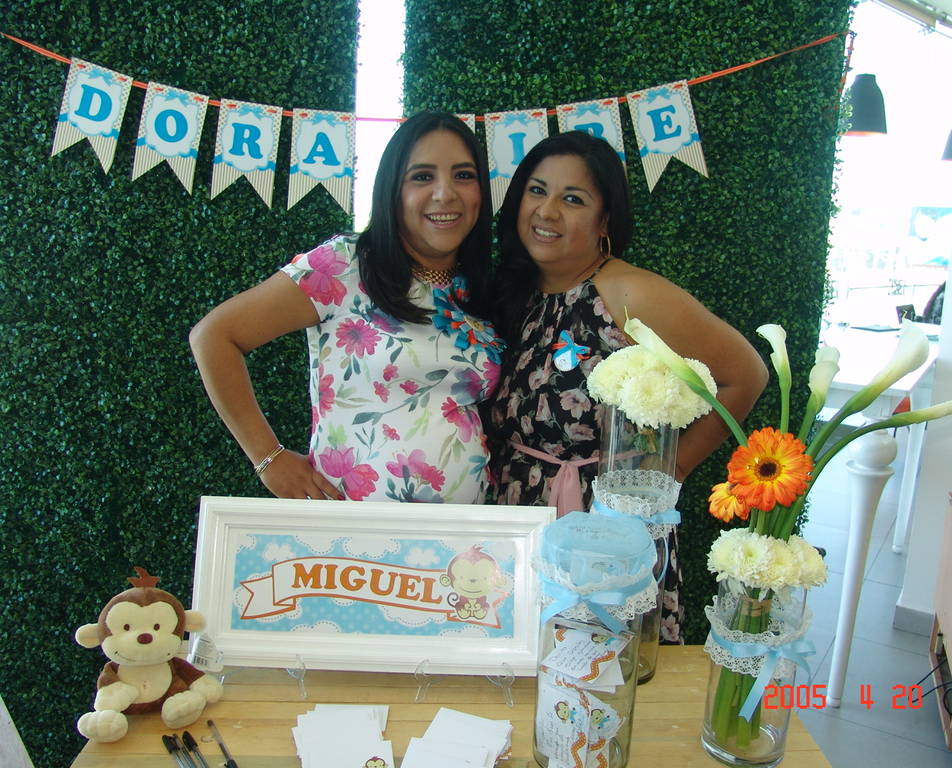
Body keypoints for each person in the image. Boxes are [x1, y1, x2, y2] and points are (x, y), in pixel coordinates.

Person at [485, 131, 768, 641]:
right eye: (537, 191)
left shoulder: (628, 292)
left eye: (573, 199)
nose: (547, 211)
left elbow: (745, 375)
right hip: (516, 520)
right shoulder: (514, 290)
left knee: (600, 675)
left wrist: (674, 467)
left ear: (605, 221)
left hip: (606, 534)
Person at [190, 112, 503, 504]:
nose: (445, 193)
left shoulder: (478, 290)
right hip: (350, 532)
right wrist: (268, 458)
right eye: (422, 176)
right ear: (392, 189)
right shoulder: (345, 264)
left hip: (464, 534)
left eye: (463, 175)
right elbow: (213, 336)